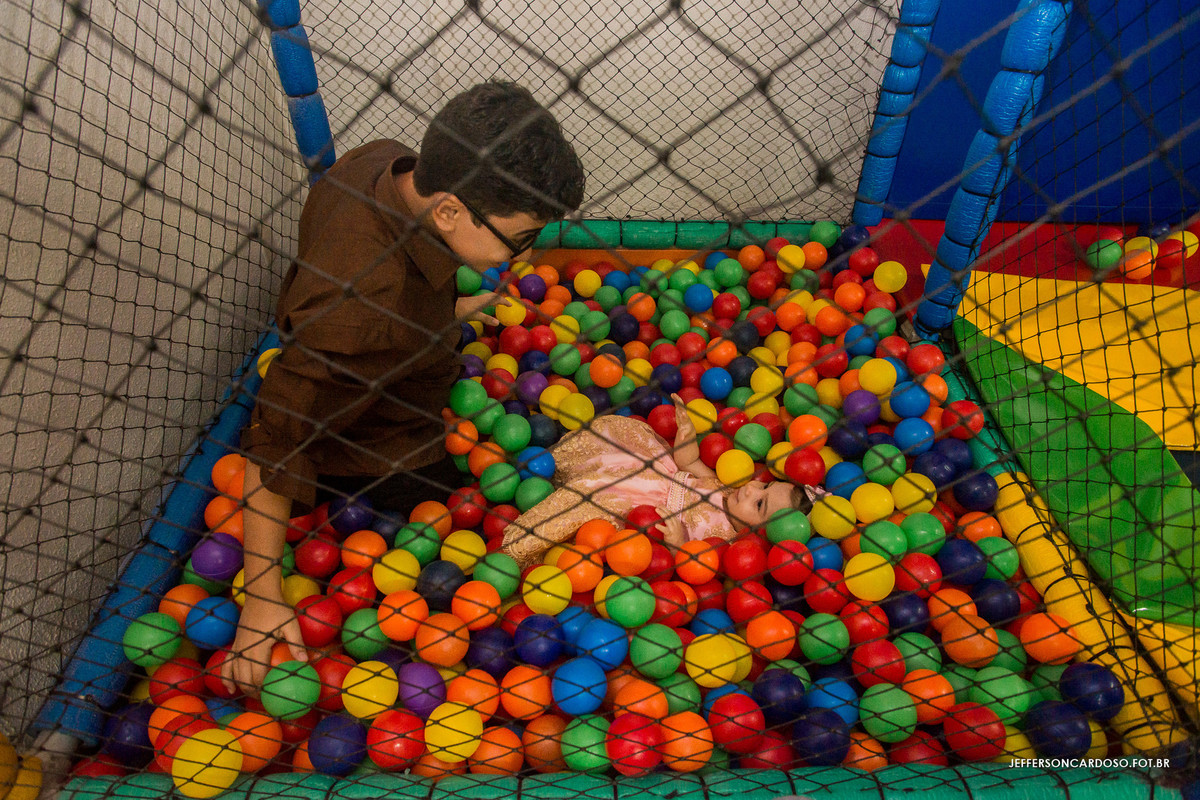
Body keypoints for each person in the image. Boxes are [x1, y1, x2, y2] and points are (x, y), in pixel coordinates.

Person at [222, 82, 585, 694]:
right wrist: (261, 596)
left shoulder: (382, 161)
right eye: (520, 238)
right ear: (448, 211)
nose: (526, 254)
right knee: (465, 523)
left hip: (394, 339)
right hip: (369, 445)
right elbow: (277, 437)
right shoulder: (361, 314)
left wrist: (443, 307)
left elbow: (392, 267)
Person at [501, 394, 815, 568]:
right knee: (620, 436)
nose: (750, 488)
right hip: (658, 471)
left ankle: (522, 547)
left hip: (644, 508)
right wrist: (686, 436)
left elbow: (695, 566)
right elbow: (689, 463)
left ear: (759, 532)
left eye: (758, 503)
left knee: (593, 497)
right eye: (764, 486)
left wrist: (679, 543)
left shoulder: (728, 541)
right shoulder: (726, 488)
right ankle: (557, 461)